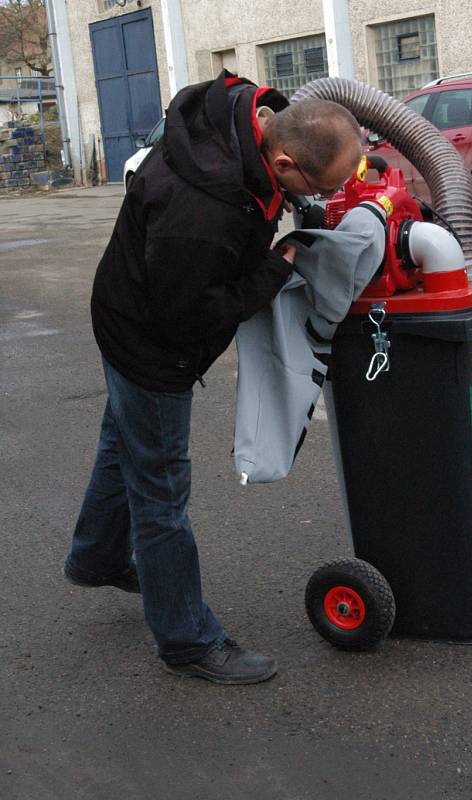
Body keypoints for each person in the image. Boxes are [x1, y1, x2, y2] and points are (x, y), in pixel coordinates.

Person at [64, 70, 363, 685]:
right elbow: (189, 313)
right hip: (151, 343)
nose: (321, 198)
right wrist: (274, 268)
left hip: (126, 307)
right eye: (318, 188)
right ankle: (186, 639)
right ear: (281, 158)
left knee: (124, 442)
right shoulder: (203, 213)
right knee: (161, 493)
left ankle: (95, 557)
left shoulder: (244, 116)